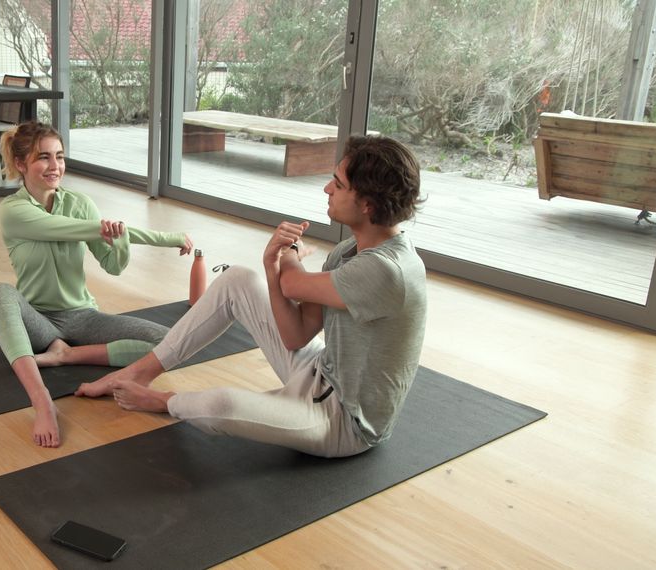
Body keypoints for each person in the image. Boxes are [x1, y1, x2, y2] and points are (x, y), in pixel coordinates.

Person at [76, 134, 426, 457]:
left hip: (344, 423)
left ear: (366, 204)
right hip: (319, 372)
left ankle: (161, 401)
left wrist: (286, 256)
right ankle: (141, 372)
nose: (326, 189)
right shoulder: (348, 252)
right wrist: (270, 265)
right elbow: (295, 335)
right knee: (237, 279)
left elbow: (293, 285)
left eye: (338, 183)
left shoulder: (387, 270)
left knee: (222, 405)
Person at [0, 121, 193, 448]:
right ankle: (42, 401)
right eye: (43, 157)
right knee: (0, 292)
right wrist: (168, 238)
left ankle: (66, 355)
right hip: (37, 319)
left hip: (83, 316)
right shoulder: (13, 211)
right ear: (20, 164)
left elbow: (113, 266)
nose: (55, 166)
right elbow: (72, 230)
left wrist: (120, 238)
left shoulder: (81, 204)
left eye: (59, 156)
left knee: (168, 342)